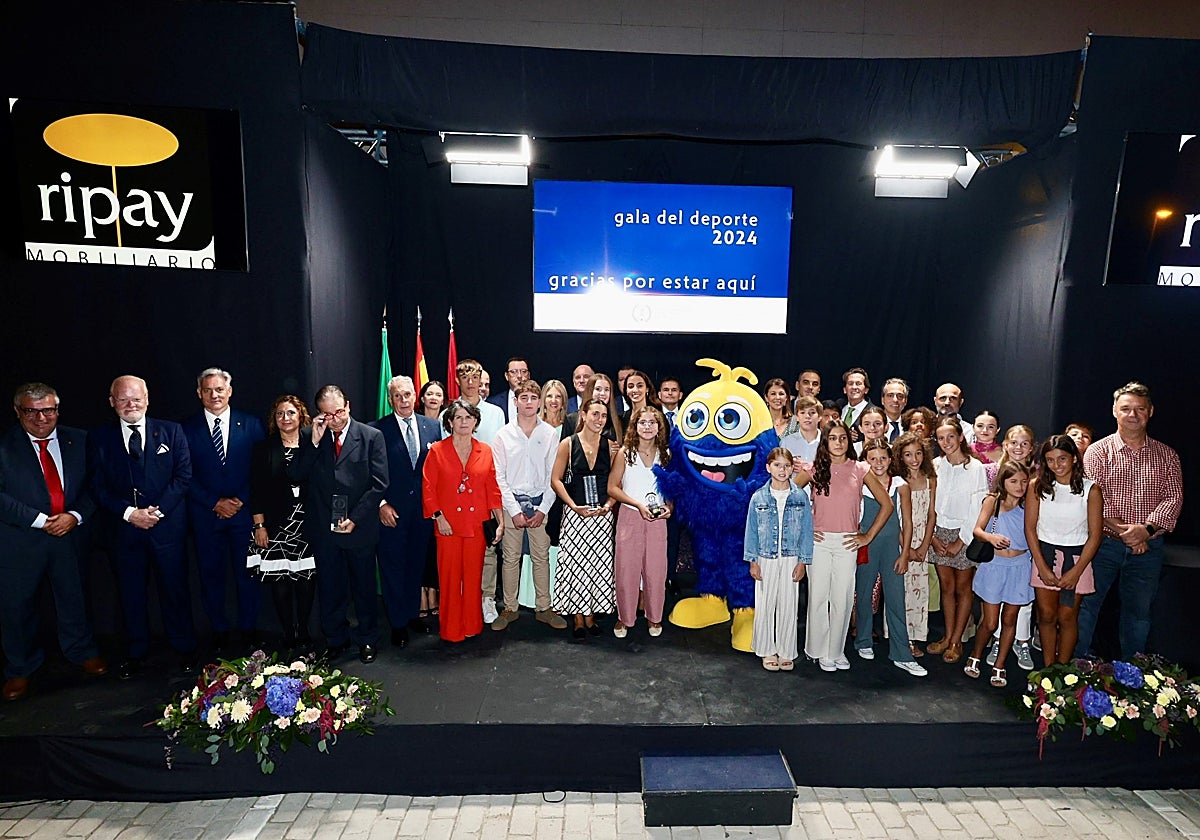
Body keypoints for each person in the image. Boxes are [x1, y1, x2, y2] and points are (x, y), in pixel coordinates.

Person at [0, 383, 106, 701]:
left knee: (75, 597)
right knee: (17, 606)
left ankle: (82, 651)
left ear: (57, 410)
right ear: (17, 411)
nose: (41, 418)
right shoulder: (4, 446)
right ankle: (20, 667)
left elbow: (97, 486)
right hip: (21, 538)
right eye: (31, 411)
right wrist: (39, 520)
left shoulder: (81, 440)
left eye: (48, 410)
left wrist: (75, 515)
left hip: (69, 533)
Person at [88, 375, 196, 679]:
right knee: (130, 594)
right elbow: (97, 487)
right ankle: (136, 652)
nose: (130, 405)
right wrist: (129, 513)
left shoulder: (172, 431)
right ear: (112, 402)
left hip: (167, 529)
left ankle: (185, 649)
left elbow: (183, 476)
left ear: (147, 399)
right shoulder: (99, 438)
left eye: (136, 398)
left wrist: (155, 512)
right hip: (124, 531)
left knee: (175, 591)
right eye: (123, 399)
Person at [1076, 382, 1183, 660]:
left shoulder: (1168, 456)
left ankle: (1133, 672)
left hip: (1149, 549)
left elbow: (1173, 499)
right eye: (1126, 408)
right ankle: (1074, 670)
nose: (1132, 415)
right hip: (1103, 545)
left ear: (1150, 411)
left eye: (1139, 409)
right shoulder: (1097, 452)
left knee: (1138, 615)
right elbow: (1096, 499)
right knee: (1086, 607)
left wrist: (1145, 531)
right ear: (1114, 411)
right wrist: (1131, 535)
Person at [288, 385, 389, 664]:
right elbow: (295, 474)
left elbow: (380, 484)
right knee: (330, 588)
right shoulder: (310, 436)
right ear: (319, 414)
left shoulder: (371, 436)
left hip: (360, 525)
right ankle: (335, 639)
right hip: (324, 528)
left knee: (364, 587)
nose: (335, 419)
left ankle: (368, 638)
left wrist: (355, 518)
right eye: (328, 415)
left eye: (340, 412)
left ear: (349, 406)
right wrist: (314, 443)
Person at [793, 422, 893, 672]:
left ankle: (836, 651)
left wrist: (867, 536)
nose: (838, 443)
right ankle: (817, 650)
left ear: (849, 441)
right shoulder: (813, 469)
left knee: (843, 598)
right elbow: (789, 496)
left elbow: (887, 504)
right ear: (825, 442)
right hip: (819, 543)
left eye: (843, 438)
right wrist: (805, 529)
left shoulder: (860, 469)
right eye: (833, 438)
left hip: (847, 542)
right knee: (818, 597)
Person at [182, 367, 266, 654]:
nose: (214, 395)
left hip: (244, 515)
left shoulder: (251, 424)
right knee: (211, 576)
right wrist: (214, 502)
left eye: (219, 389)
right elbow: (184, 474)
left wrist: (240, 499)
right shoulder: (186, 428)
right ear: (199, 393)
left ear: (229, 391)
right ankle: (218, 630)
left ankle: (249, 629)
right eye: (208, 390)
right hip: (206, 516)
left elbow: (261, 468)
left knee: (248, 575)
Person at [424, 399, 504, 643]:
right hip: (447, 525)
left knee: (472, 578)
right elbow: (428, 488)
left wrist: (500, 521)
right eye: (458, 417)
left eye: (469, 417)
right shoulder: (437, 450)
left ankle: (472, 624)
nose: (464, 422)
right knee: (449, 579)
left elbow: (492, 489)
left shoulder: (485, 451)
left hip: (476, 524)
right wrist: (439, 517)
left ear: (476, 422)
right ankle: (451, 629)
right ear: (450, 422)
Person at [491, 381, 567, 631]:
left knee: (541, 557)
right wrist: (513, 511)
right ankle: (509, 607)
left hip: (539, 502)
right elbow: (499, 476)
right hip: (511, 502)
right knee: (510, 557)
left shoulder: (549, 434)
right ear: (516, 401)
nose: (529, 402)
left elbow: (553, 476)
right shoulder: (503, 435)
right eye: (524, 398)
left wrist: (543, 509)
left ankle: (543, 607)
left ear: (539, 402)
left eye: (534, 398)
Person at [372, 376, 441, 648]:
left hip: (423, 513)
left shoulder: (432, 426)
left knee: (416, 565)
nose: (403, 400)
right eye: (397, 396)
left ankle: (413, 614)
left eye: (408, 394)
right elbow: (369, 472)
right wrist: (380, 504)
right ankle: (398, 623)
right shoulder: (377, 430)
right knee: (393, 568)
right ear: (390, 400)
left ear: (416, 397)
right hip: (392, 513)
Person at [248, 395, 316, 653]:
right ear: (274, 419)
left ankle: (304, 630)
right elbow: (255, 490)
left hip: (308, 524)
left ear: (301, 416)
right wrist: (259, 526)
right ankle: (288, 632)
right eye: (280, 414)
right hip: (276, 525)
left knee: (306, 582)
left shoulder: (314, 444)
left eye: (290, 413)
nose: (285, 418)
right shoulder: (263, 448)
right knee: (281, 582)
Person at [1026, 435, 1102, 667]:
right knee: (1046, 615)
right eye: (1050, 460)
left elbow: (1095, 535)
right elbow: (1030, 528)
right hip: (1045, 556)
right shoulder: (1036, 486)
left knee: (1067, 616)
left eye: (1062, 458)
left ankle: (1062, 669)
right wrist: (1041, 566)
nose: (1056, 465)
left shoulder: (1091, 489)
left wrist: (1076, 572)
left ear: (1074, 459)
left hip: (1078, 559)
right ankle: (1048, 669)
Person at [854, 439, 926, 676]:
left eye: (883, 458)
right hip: (867, 547)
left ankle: (902, 654)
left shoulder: (900, 485)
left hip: (892, 550)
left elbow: (907, 522)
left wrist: (904, 554)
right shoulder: (860, 484)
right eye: (872, 459)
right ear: (865, 461)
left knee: (896, 600)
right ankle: (863, 640)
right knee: (864, 594)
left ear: (890, 460)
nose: (878, 463)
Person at [550, 398, 617, 641]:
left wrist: (608, 506)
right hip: (575, 515)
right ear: (584, 415)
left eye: (603, 415)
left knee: (597, 567)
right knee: (576, 568)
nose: (599, 419)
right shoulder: (567, 444)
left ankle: (591, 617)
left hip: (602, 517)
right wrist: (572, 505)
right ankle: (578, 619)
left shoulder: (611, 447)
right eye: (595, 414)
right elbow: (555, 480)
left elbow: (617, 483)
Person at [963, 461, 1034, 688]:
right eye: (1013, 481)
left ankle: (1000, 664)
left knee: (1010, 619)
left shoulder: (1030, 503)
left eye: (1024, 481)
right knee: (990, 622)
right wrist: (991, 538)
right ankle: (975, 655)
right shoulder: (993, 501)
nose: (1020, 486)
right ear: (1003, 481)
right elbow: (977, 530)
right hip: (994, 566)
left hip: (1020, 566)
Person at [743, 447, 812, 671]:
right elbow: (751, 530)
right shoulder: (758, 497)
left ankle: (786, 650)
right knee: (765, 604)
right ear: (768, 467)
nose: (782, 470)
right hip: (765, 557)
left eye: (787, 466)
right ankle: (766, 649)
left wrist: (803, 561)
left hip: (791, 557)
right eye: (777, 465)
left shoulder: (800, 496)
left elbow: (807, 530)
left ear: (793, 469)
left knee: (788, 605)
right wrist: (753, 560)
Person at [925, 416, 988, 665]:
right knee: (946, 588)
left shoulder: (976, 468)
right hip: (939, 532)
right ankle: (948, 636)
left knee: (963, 589)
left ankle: (957, 641)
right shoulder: (935, 465)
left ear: (961, 437)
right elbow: (929, 503)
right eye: (941, 438)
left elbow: (978, 507)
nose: (946, 442)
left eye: (951, 436)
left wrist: (961, 541)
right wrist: (932, 537)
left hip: (964, 534)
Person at [447, 359, 505, 622]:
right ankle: (463, 600)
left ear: (482, 379)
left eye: (474, 377)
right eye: (465, 378)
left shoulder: (495, 413)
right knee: (459, 550)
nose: (470, 383)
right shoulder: (449, 411)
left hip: (486, 490)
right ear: (457, 380)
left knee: (488, 547)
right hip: (457, 496)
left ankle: (487, 598)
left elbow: (499, 454)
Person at [607, 405, 672, 639]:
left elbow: (671, 490)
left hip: (657, 519)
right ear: (634, 426)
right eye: (642, 422)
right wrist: (637, 505)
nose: (647, 427)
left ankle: (654, 617)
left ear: (659, 427)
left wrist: (669, 508)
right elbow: (612, 488)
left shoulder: (666, 454)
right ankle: (624, 617)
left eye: (652, 422)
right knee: (627, 569)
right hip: (630, 516)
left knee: (656, 570)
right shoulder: (625, 453)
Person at [983, 423, 1037, 670]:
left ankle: (1022, 641)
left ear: (1031, 448)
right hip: (996, 553)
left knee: (1022, 600)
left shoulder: (1037, 477)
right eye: (1014, 442)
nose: (1019, 448)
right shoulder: (993, 471)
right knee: (995, 598)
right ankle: (997, 640)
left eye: (1024, 444)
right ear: (1005, 444)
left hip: (1024, 549)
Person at [891, 431, 936, 658]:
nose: (914, 459)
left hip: (922, 543)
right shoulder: (897, 481)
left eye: (918, 453)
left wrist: (924, 546)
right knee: (901, 590)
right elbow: (895, 518)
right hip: (901, 542)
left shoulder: (930, 479)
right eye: (908, 454)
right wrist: (907, 549)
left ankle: (914, 636)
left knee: (918, 591)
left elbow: (931, 515)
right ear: (900, 457)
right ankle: (900, 638)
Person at [561, 373, 623, 443]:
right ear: (590, 390)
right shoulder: (571, 419)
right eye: (598, 389)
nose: (602, 393)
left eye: (606, 390)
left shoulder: (618, 421)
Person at [781, 395, 821, 468]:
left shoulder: (828, 442)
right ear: (797, 417)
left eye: (812, 412)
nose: (807, 416)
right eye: (802, 412)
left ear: (820, 417)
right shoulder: (786, 442)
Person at [487, 356, 530, 423]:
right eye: (514, 372)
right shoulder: (494, 403)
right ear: (506, 376)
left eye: (524, 371)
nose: (519, 376)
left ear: (529, 375)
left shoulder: (540, 401)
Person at [837, 368, 872, 444]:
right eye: (850, 383)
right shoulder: (838, 408)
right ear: (844, 389)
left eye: (858, 384)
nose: (854, 387)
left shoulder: (873, 412)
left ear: (866, 390)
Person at [879, 378, 909, 443]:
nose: (895, 400)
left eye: (900, 396)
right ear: (882, 400)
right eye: (890, 395)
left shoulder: (910, 425)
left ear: (905, 401)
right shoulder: (873, 425)